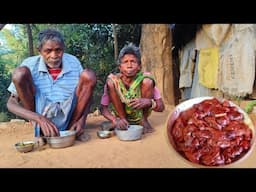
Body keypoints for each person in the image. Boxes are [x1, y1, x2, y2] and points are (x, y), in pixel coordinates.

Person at [6, 28, 96, 141]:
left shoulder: (73, 62)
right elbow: (11, 103)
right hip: (39, 115)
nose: (54, 55)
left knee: (89, 75)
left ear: (63, 49)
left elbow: (87, 94)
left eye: (58, 50)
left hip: (69, 116)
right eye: (48, 51)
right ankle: (39, 130)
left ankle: (71, 131)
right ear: (39, 51)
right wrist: (38, 118)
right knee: (20, 73)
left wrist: (81, 121)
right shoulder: (30, 64)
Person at [100, 43, 164, 133]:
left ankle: (143, 120)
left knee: (148, 81)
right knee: (111, 83)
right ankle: (123, 120)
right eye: (125, 62)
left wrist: (149, 102)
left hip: (141, 115)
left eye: (133, 61)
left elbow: (161, 107)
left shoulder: (145, 80)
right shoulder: (113, 82)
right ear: (120, 67)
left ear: (139, 67)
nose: (129, 65)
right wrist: (115, 120)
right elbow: (103, 108)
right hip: (121, 117)